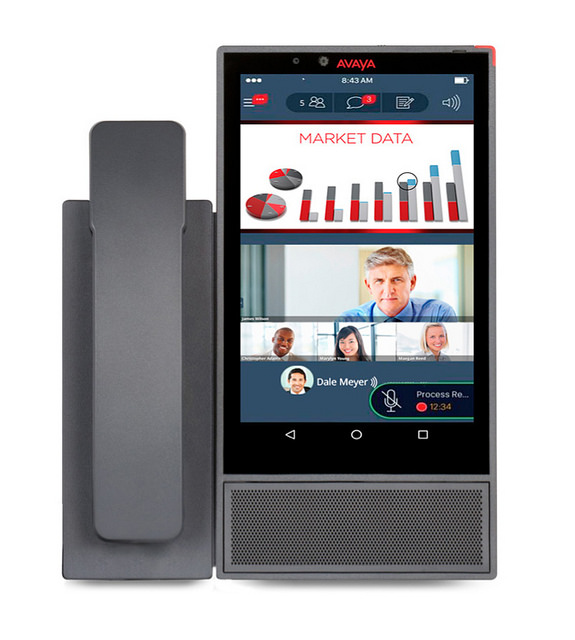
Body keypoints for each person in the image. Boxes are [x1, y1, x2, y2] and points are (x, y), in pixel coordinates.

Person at [340, 246, 456, 322]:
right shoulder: (348, 321)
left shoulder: (439, 313)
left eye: (396, 280)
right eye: (379, 281)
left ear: (412, 282)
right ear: (369, 286)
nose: (388, 291)